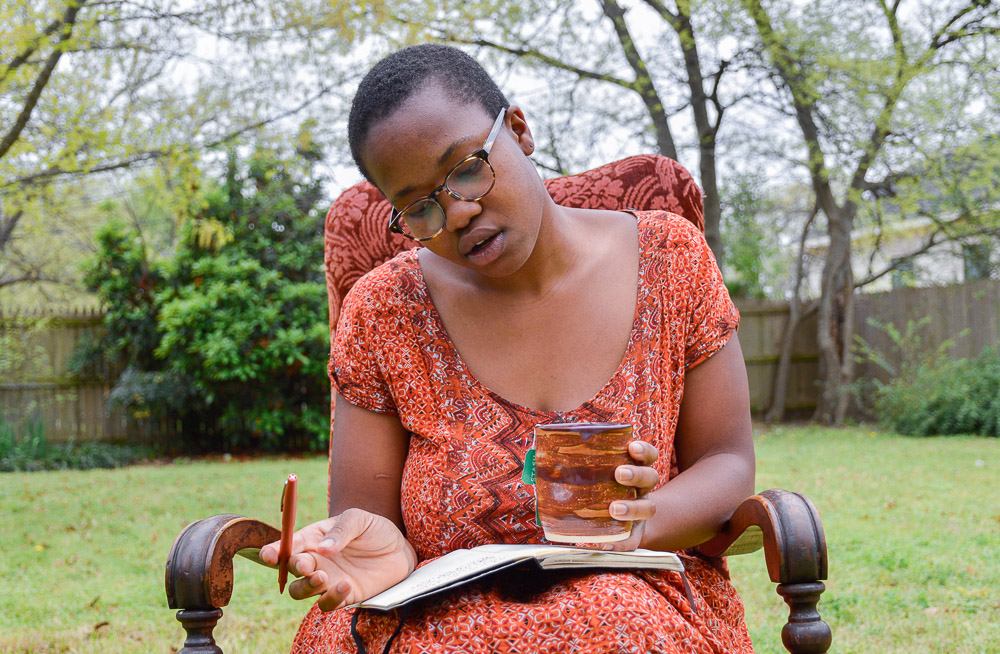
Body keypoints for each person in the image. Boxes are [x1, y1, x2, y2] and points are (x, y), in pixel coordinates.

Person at [260, 43, 756, 653]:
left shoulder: (669, 261)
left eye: (467, 168)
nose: (460, 213)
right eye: (420, 207)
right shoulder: (385, 311)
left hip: (628, 594)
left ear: (518, 131)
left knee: (612, 624)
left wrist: (637, 525)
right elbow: (368, 523)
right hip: (425, 614)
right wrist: (377, 550)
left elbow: (728, 462)